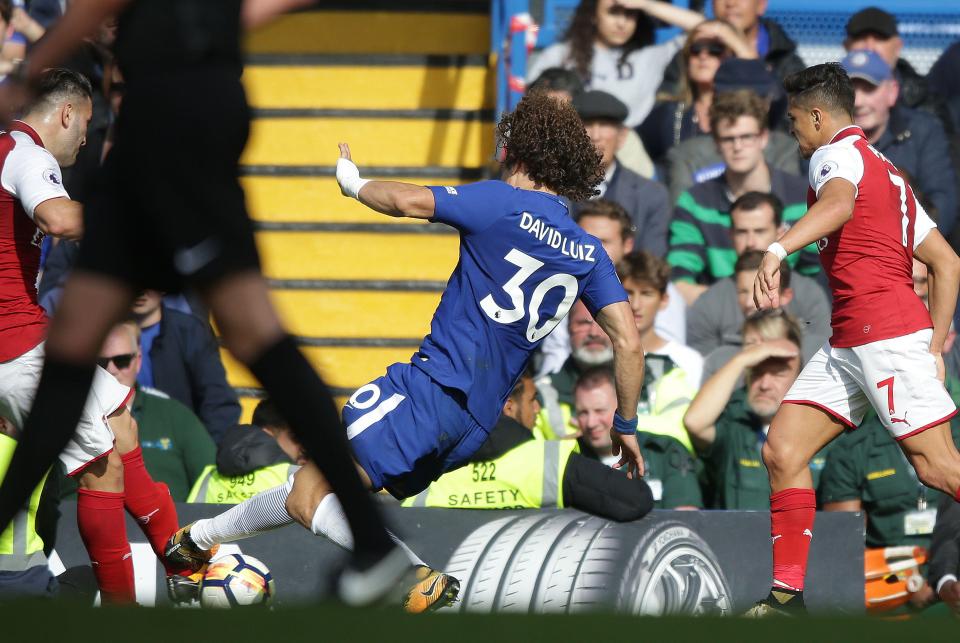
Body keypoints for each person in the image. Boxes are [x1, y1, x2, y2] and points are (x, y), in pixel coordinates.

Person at [161, 92, 646, 612]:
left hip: (430, 391)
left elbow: (410, 201)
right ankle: (194, 543)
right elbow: (629, 342)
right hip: (474, 425)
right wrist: (627, 425)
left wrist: (355, 183)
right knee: (321, 487)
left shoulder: (501, 202)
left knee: (310, 494)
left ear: (517, 152)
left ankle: (406, 573)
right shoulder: (588, 251)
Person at [0, 0, 413, 609]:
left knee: (89, 358)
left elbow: (90, 13)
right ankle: (371, 541)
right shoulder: (32, 147)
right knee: (245, 341)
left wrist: (28, 71)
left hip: (172, 124)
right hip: (202, 121)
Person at [747, 62, 960, 616]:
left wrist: (777, 248)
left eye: (794, 121)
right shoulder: (888, 173)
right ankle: (786, 597)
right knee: (783, 450)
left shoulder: (833, 155)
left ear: (817, 116)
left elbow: (837, 205)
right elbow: (947, 262)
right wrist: (935, 347)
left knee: (938, 468)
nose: (793, 133)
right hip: (852, 342)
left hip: (883, 335)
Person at [403, 368, 655, 521]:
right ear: (509, 407)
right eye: (533, 400)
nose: (537, 409)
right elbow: (636, 500)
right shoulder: (547, 461)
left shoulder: (429, 470)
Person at [667, 89, 812, 304]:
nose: (737, 147)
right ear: (716, 143)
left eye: (746, 137)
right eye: (728, 139)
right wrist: (742, 305)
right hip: (718, 324)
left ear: (763, 138)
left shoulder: (802, 197)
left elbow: (818, 277)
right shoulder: (694, 203)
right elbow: (679, 284)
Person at [684, 310, 829, 510]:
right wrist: (741, 360)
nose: (765, 384)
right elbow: (695, 422)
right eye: (757, 371)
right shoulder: (734, 421)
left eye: (778, 373)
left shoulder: (820, 423)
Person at [819, 416, 960, 613]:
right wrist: (907, 584)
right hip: (889, 589)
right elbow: (844, 548)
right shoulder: (854, 449)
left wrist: (948, 583)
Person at [537, 199, 687, 376]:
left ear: (627, 245)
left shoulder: (657, 291)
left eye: (602, 242)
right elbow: (555, 358)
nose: (591, 249)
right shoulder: (560, 286)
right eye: (583, 239)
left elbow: (667, 355)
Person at [686, 194, 832, 356]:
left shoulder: (809, 294)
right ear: (731, 236)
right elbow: (703, 370)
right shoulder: (708, 304)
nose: (750, 242)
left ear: (781, 234)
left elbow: (824, 356)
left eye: (760, 231)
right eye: (742, 232)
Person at [526, 0, 705, 129]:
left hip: (626, 150)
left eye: (630, 14)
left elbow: (708, 28)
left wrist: (646, 4)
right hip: (570, 146)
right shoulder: (561, 55)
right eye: (613, 12)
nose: (621, 22)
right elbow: (528, 107)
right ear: (593, 15)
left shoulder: (649, 58)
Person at [840, 49, 957, 237]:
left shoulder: (923, 131)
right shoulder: (824, 139)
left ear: (892, 91)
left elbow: (944, 208)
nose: (858, 101)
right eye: (849, 91)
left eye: (869, 88)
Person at [664, 58, 804, 201]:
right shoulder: (686, 155)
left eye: (760, 97)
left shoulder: (786, 149)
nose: (738, 146)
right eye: (736, 98)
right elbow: (681, 213)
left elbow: (790, 203)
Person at [575, 367, 701, 509]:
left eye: (600, 411)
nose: (591, 423)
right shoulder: (571, 459)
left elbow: (684, 522)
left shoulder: (663, 453)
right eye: (583, 413)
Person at [130, 289, 240, 444]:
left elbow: (218, 401)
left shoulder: (190, 331)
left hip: (177, 447)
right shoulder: (101, 330)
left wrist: (206, 454)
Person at [639, 19, 751, 170]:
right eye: (696, 49)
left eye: (715, 49)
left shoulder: (752, 109)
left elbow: (774, 93)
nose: (703, 56)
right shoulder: (668, 113)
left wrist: (736, 43)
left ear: (734, 56)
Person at [572, 90, 671, 255]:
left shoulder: (651, 196)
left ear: (622, 136)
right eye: (587, 125)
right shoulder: (548, 189)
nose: (595, 136)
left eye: (604, 125)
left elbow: (651, 265)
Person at [659, 0, 806, 98]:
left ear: (761, 4)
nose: (730, 3)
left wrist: (743, 51)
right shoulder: (693, 54)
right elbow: (666, 107)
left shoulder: (785, 61)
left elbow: (791, 122)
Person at [844, 7, 949, 129]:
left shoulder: (926, 101)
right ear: (847, 46)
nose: (870, 47)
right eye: (861, 38)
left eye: (880, 38)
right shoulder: (827, 97)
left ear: (898, 46)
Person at [188, 399, 302, 504]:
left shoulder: (210, 475)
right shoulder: (297, 475)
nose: (302, 448)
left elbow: (190, 519)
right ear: (267, 434)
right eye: (296, 438)